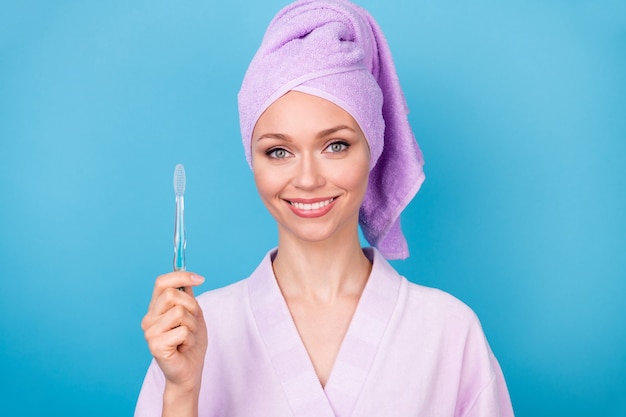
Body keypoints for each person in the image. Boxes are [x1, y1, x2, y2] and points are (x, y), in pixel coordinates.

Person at [135, 0, 515, 416]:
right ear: (252, 160)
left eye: (336, 145)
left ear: (373, 149)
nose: (308, 178)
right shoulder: (194, 331)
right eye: (279, 151)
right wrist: (182, 390)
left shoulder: (448, 331)